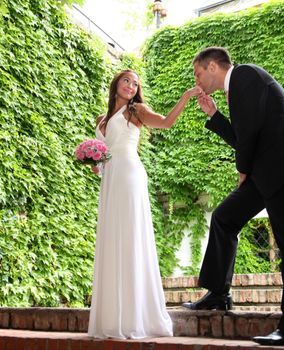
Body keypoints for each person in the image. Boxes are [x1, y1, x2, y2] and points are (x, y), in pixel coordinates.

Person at [182, 47, 284, 346]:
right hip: (264, 171)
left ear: (211, 66)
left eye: (197, 73)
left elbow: (251, 133)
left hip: (281, 167)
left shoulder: (245, 74)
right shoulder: (238, 88)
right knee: (224, 217)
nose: (197, 80)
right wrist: (215, 115)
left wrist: (242, 169)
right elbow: (243, 136)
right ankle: (219, 294)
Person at [88, 69, 201, 339]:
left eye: (135, 83)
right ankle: (112, 316)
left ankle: (135, 317)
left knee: (129, 237)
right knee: (112, 238)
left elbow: (165, 122)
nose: (131, 85)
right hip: (110, 179)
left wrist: (185, 97)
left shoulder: (135, 110)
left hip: (128, 174)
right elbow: (103, 156)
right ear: (116, 83)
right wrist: (95, 163)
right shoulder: (101, 119)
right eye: (127, 80)